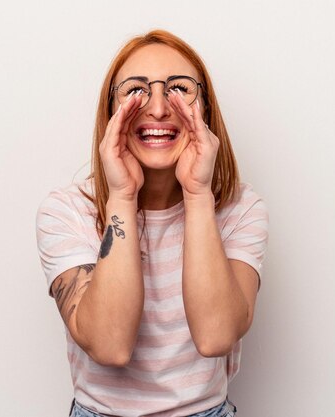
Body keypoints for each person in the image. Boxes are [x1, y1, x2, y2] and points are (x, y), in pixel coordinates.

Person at [36, 29, 268, 417]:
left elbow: (215, 337)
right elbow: (111, 345)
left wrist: (197, 194)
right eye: (135, 91)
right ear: (111, 113)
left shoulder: (240, 208)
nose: (158, 109)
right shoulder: (65, 210)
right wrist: (122, 196)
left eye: (178, 88)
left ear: (205, 110)